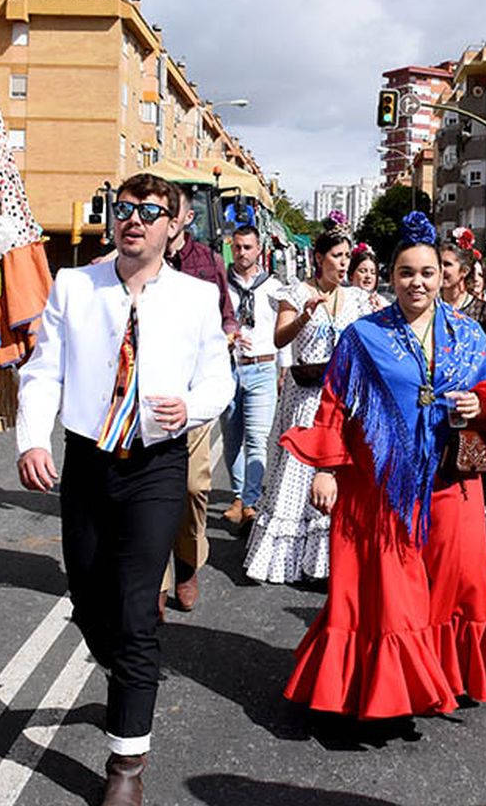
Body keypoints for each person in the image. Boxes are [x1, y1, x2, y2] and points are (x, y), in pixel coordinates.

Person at [16, 174, 233, 806]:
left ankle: (125, 761)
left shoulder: (196, 297)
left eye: (149, 212)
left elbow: (219, 379)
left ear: (174, 224)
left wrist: (189, 406)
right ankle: (132, 668)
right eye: (125, 210)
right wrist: (31, 438)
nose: (133, 220)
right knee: (88, 596)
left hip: (156, 463)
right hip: (87, 461)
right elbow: (42, 369)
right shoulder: (76, 286)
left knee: (139, 611)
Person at [282, 211, 486, 717]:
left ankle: (442, 676)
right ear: (392, 277)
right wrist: (326, 470)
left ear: (443, 276)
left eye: (427, 273)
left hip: (452, 478)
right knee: (395, 594)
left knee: (456, 580)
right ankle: (397, 688)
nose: (418, 282)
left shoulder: (468, 334)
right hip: (383, 483)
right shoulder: (362, 337)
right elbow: (335, 403)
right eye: (407, 273)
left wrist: (483, 405)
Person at [244, 218, 383, 583]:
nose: (342, 263)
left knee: (336, 471)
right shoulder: (294, 292)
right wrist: (305, 314)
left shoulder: (356, 298)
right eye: (336, 256)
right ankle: (284, 560)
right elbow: (278, 340)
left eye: (346, 257)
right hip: (306, 394)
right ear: (318, 258)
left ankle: (324, 562)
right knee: (297, 472)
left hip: (344, 398)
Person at [160, 195, 237, 612]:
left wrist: (225, 334)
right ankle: (155, 579)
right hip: (144, 400)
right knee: (147, 494)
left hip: (192, 398)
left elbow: (227, 314)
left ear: (185, 218)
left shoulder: (207, 261)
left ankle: (187, 563)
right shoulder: (132, 262)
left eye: (169, 213)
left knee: (191, 488)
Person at [223, 224, 281, 532]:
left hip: (262, 368)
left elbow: (282, 332)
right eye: (237, 246)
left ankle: (250, 502)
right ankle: (237, 494)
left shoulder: (273, 287)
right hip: (229, 369)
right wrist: (226, 339)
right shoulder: (222, 287)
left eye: (247, 247)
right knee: (233, 440)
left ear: (259, 250)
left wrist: (284, 369)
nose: (242, 252)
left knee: (257, 439)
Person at [441, 235, 486, 361]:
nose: (441, 269)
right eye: (438, 264)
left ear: (464, 271)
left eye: (447, 264)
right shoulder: (431, 307)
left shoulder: (484, 311)